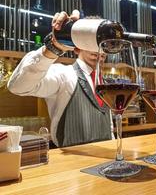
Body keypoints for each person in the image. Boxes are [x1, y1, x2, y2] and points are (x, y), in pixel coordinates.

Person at [7, 10, 114, 147]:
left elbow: (108, 126)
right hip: (71, 162)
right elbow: (18, 86)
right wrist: (53, 47)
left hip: (107, 160)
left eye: (103, 42)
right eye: (91, 41)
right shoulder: (63, 74)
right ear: (77, 46)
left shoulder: (104, 84)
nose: (99, 48)